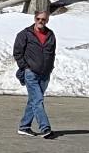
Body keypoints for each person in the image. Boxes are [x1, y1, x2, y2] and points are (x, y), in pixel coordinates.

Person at [14, 7, 58, 139]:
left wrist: (50, 67)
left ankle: (24, 127)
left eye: (43, 19)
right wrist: (25, 67)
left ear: (47, 20)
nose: (40, 21)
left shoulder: (51, 35)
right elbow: (17, 53)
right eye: (38, 19)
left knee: (33, 100)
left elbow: (52, 53)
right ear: (34, 19)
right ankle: (45, 128)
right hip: (31, 73)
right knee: (38, 100)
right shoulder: (24, 34)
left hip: (45, 74)